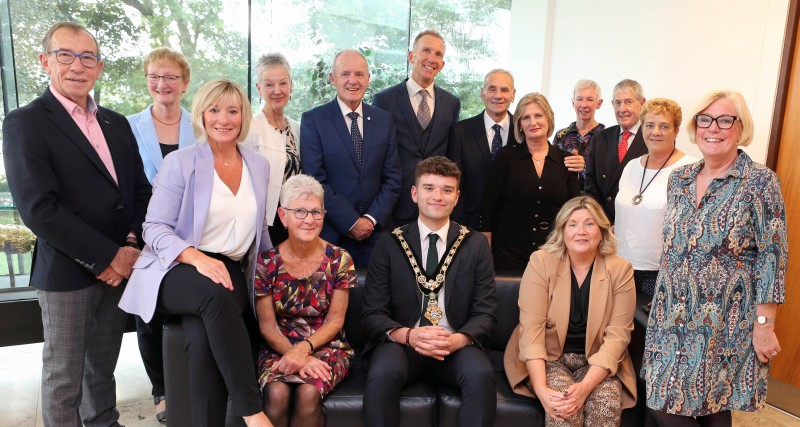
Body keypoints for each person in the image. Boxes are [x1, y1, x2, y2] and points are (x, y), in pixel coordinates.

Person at [2, 22, 151, 427]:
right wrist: (107, 257)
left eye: (88, 57)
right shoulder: (25, 123)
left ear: (99, 67)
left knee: (101, 368)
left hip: (120, 269)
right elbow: (39, 209)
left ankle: (104, 422)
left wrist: (131, 246)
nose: (77, 66)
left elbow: (140, 190)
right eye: (65, 55)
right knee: (64, 378)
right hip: (69, 272)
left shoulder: (116, 124)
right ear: (45, 61)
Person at [119, 79, 274, 427]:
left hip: (230, 268)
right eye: (215, 109)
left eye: (233, 111)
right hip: (175, 266)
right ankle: (253, 412)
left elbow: (260, 231)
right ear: (202, 114)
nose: (224, 118)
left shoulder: (258, 165)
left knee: (203, 341)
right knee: (214, 297)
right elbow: (154, 228)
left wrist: (273, 275)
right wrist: (195, 257)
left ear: (243, 116)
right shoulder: (180, 162)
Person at [643, 90, 787, 427]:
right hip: (670, 317)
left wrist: (765, 325)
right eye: (705, 120)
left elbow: (773, 255)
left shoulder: (760, 181)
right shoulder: (679, 178)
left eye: (725, 120)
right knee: (664, 400)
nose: (713, 128)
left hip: (725, 321)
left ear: (740, 128)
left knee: (713, 404)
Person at [361, 156, 497, 427]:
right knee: (382, 374)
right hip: (404, 342)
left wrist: (458, 340)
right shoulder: (389, 242)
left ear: (457, 197)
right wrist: (409, 336)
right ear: (414, 193)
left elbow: (486, 312)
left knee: (481, 375)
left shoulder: (475, 244)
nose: (438, 196)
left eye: (447, 190)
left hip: (455, 343)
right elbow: (372, 313)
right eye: (429, 188)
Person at [504, 196, 637, 427]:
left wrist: (585, 388)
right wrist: (542, 390)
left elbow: (618, 337)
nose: (581, 231)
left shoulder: (620, 269)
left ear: (602, 230)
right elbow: (531, 331)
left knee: (605, 408)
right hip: (549, 358)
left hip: (597, 361)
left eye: (589, 223)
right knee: (563, 410)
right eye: (572, 224)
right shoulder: (541, 262)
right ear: (562, 230)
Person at [127, 46, 196, 424]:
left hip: (192, 230)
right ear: (147, 80)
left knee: (187, 310)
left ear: (184, 83)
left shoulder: (199, 123)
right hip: (146, 230)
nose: (162, 83)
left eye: (171, 76)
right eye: (155, 76)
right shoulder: (128, 126)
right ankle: (161, 389)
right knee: (148, 313)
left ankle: (191, 381)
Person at [255, 174, 357, 427]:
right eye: (300, 211)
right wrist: (295, 354)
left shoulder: (339, 259)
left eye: (316, 212)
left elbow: (335, 321)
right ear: (283, 215)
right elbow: (267, 327)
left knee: (308, 393)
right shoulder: (266, 262)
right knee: (276, 393)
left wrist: (304, 351)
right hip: (278, 346)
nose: (309, 220)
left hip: (328, 346)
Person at [300, 49, 402, 267]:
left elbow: (393, 177)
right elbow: (314, 181)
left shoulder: (384, 120)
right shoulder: (313, 121)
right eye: (345, 74)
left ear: (368, 78)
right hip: (331, 235)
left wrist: (370, 219)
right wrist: (351, 221)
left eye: (359, 74)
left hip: (378, 236)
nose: (352, 81)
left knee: (377, 300)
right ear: (332, 78)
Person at [478, 92, 580, 273]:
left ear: (548, 119)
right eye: (526, 117)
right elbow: (488, 207)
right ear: (519, 124)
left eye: (538, 115)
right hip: (508, 254)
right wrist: (485, 254)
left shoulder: (565, 161)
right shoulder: (506, 157)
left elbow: (573, 211)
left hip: (552, 252)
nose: (533, 122)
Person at [372, 29, 461, 228]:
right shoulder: (384, 100)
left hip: (435, 206)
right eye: (426, 51)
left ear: (443, 64)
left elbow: (451, 154)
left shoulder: (451, 103)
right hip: (395, 205)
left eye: (438, 54)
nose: (432, 58)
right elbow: (376, 155)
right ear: (411, 56)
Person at [614, 98, 695, 298]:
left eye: (664, 126)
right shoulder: (632, 166)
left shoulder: (690, 170)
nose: (655, 132)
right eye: (649, 125)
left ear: (676, 131)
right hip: (620, 268)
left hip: (661, 275)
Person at [243, 53, 301, 246]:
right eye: (269, 84)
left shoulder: (297, 128)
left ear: (291, 85)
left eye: (283, 83)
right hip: (266, 221)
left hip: (295, 220)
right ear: (259, 89)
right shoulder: (249, 129)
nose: (277, 90)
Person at [447, 69, 517, 228]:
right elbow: (455, 183)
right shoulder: (460, 132)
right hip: (469, 225)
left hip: (512, 227)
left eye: (504, 90)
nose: (498, 95)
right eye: (492, 89)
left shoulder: (523, 132)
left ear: (513, 94)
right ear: (482, 93)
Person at [584, 79, 647, 222]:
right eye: (617, 103)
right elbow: (590, 184)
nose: (622, 109)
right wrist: (601, 221)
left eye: (628, 102)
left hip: (636, 224)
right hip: (603, 223)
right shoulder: (600, 138)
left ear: (642, 103)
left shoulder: (652, 139)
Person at [554, 79, 606, 189]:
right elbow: (551, 171)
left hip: (593, 202)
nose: (584, 105)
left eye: (590, 99)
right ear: (573, 103)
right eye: (579, 99)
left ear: (599, 103)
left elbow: (609, 177)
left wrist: (585, 168)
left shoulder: (607, 137)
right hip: (565, 203)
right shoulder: (561, 136)